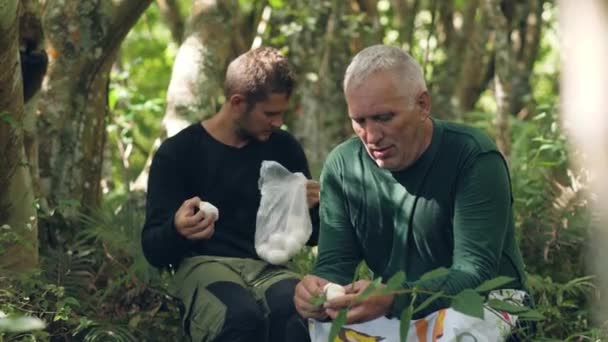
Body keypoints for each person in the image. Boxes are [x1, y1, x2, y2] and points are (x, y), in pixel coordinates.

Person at [294, 45, 529, 336]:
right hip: (400, 308)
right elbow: (335, 264)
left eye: (384, 117)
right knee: (323, 325)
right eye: (359, 121)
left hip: (486, 303)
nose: (372, 135)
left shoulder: (472, 156)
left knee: (457, 329)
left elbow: (475, 274)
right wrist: (316, 290)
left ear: (422, 105)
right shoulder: (343, 166)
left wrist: (393, 297)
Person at [141, 47, 320, 342]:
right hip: (203, 265)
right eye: (270, 114)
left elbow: (313, 236)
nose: (278, 123)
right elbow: (153, 250)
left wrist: (311, 208)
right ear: (237, 103)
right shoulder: (179, 153)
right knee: (240, 318)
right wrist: (177, 229)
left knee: (294, 316)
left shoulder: (284, 148)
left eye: (282, 113)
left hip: (270, 269)